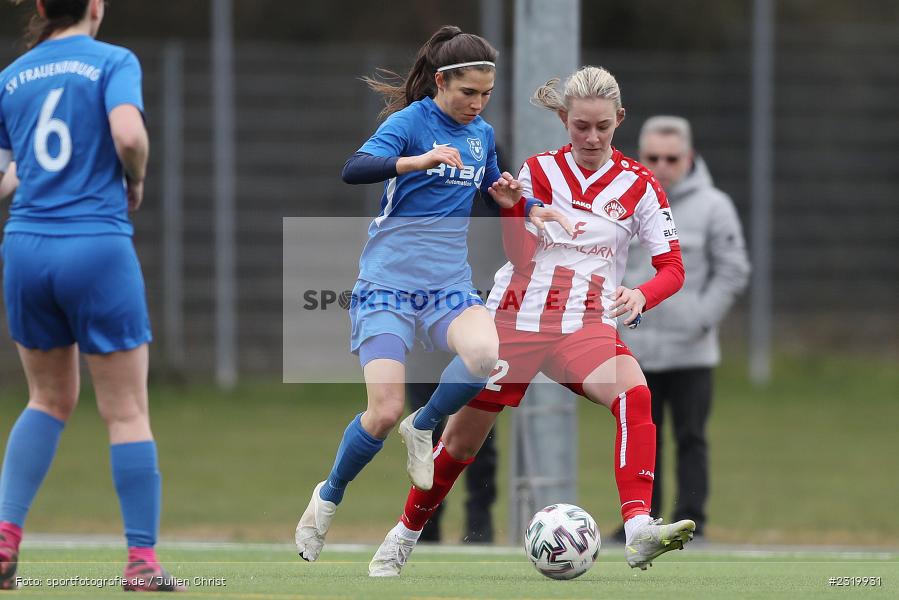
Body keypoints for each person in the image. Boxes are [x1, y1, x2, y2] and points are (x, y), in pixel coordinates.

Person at [368, 65, 697, 578]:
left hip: (584, 326)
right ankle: (403, 536)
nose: (592, 137)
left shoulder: (641, 184)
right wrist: (510, 211)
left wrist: (640, 294)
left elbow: (672, 267)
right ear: (564, 119)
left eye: (602, 126)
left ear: (620, 119)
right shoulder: (538, 171)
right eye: (581, 126)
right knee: (460, 443)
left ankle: (638, 529)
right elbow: (521, 256)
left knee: (634, 394)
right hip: (514, 321)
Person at [293, 25, 567, 562]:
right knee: (382, 411)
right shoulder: (410, 122)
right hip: (387, 287)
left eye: (486, 93)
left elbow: (491, 186)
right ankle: (327, 497)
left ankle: (423, 428)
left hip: (447, 287)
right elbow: (354, 169)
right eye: (468, 92)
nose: (477, 103)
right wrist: (416, 161)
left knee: (486, 357)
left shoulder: (481, 134)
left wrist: (525, 204)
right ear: (441, 82)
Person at [0, 0, 183, 592]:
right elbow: (128, 134)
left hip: (26, 248)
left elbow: (5, 174)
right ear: (96, 6)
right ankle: (142, 564)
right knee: (125, 410)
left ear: (40, 7)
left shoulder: (11, 76)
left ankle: (3, 542)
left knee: (46, 399)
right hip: (95, 244)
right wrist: (136, 177)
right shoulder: (112, 60)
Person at [613, 116, 750, 541]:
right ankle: (643, 521)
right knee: (640, 434)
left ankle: (693, 522)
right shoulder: (621, 198)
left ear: (689, 157)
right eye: (652, 157)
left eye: (671, 158)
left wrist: (700, 318)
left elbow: (733, 270)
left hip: (691, 349)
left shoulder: (714, 206)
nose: (662, 166)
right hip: (635, 347)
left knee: (691, 437)